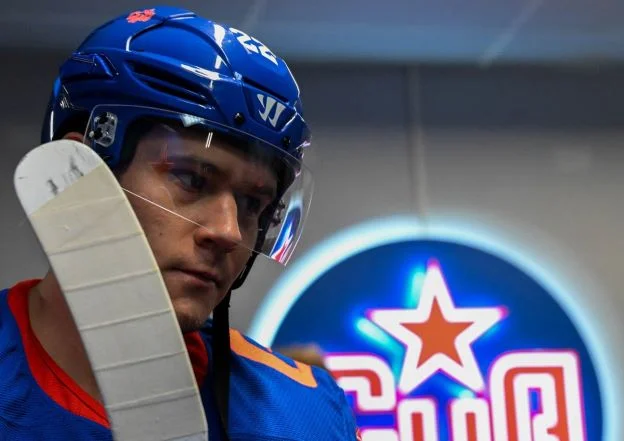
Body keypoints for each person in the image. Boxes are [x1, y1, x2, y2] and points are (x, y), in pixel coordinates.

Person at [0, 6, 361, 441]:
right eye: (191, 179)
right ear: (77, 177)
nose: (229, 233)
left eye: (252, 204)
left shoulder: (304, 414)